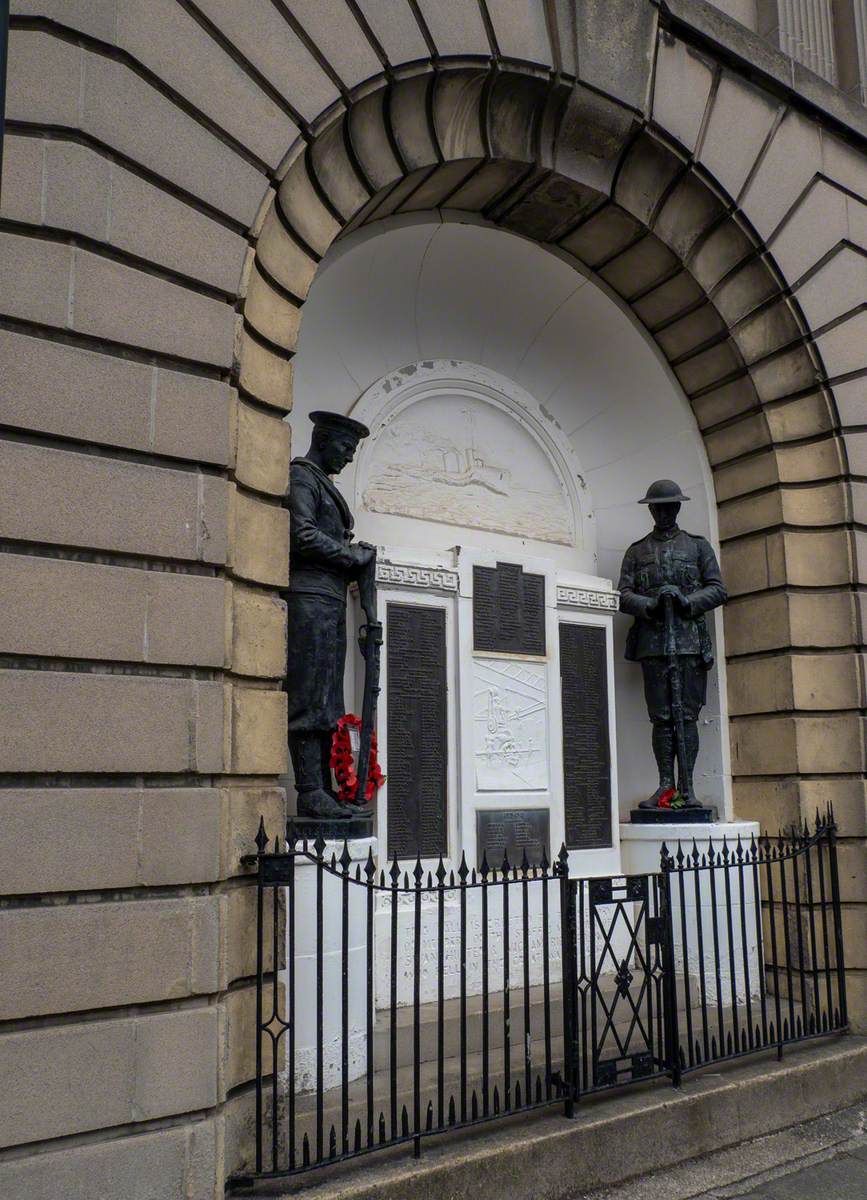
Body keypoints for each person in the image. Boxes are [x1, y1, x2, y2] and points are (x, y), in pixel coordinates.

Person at [286, 410, 376, 820]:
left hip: (329, 602)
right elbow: (300, 534)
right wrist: (350, 555)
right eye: (345, 447)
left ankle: (322, 788)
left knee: (327, 699)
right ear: (323, 440)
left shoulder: (322, 484)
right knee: (311, 696)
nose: (349, 457)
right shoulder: (303, 477)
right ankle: (310, 791)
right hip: (311, 600)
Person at [617, 480, 727, 809]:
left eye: (669, 506)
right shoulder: (637, 552)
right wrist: (649, 604)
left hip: (690, 644)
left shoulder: (697, 547)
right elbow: (623, 595)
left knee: (687, 716)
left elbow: (717, 589)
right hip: (654, 644)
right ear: (650, 509)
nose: (663, 512)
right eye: (658, 507)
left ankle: (688, 787)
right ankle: (666, 785)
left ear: (678, 508)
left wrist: (685, 600)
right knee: (662, 717)